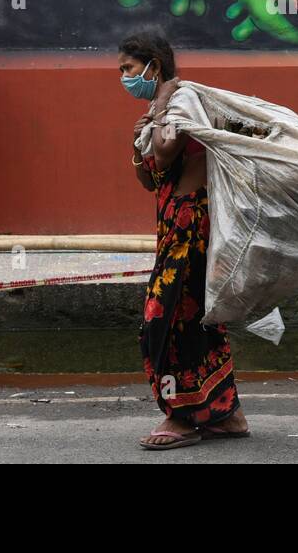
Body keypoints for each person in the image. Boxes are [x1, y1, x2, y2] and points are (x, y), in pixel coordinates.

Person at [119, 30, 250, 450]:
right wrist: (136, 143)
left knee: (167, 319)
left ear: (153, 66)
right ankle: (227, 416)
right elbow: (149, 176)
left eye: (128, 68)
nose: (123, 77)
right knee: (198, 322)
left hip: (192, 228)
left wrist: (159, 110)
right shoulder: (161, 108)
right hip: (172, 227)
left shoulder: (182, 100)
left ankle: (182, 417)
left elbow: (169, 149)